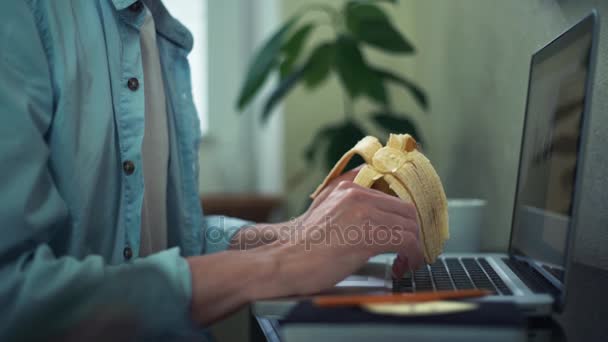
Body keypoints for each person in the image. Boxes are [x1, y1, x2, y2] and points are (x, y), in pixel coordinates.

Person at [0, 0, 422, 340]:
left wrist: (295, 233)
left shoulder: (157, 30)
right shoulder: (19, 16)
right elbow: (13, 298)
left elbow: (161, 244)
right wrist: (283, 263)